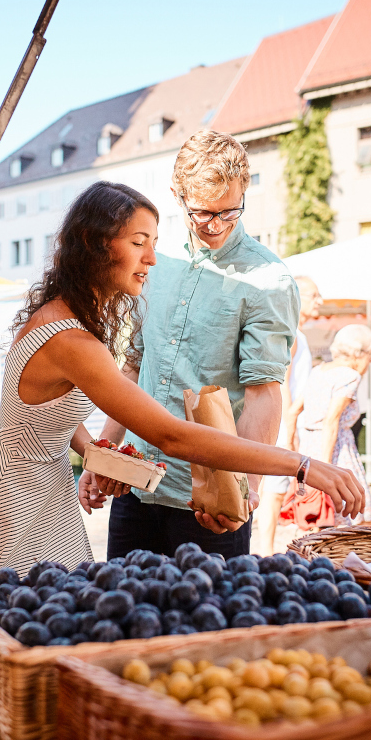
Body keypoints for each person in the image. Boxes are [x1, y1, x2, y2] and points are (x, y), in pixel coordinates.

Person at [0, 181, 363, 614]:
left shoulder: (69, 318)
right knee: (20, 633)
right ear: (95, 244)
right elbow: (171, 436)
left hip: (41, 491)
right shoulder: (71, 339)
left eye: (153, 243)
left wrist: (96, 453)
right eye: (139, 243)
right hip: (19, 502)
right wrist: (302, 465)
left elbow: (48, 417)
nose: (152, 259)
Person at [79, 130, 303, 560]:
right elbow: (133, 367)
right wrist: (102, 455)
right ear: (177, 195)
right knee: (124, 619)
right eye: (203, 213)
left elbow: (263, 393)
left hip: (210, 499)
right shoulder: (155, 262)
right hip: (135, 486)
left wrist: (247, 492)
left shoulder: (268, 281)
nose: (216, 225)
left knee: (204, 624)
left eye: (229, 211)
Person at [255, 276, 322, 554]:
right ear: (298, 297)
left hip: (286, 419)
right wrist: (290, 427)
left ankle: (266, 548)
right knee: (273, 490)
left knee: (276, 490)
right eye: (314, 295)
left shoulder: (297, 333)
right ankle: (265, 550)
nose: (320, 302)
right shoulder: (291, 333)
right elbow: (282, 382)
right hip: (282, 420)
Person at [286, 325, 371, 526]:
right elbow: (331, 420)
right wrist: (325, 468)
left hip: (309, 447)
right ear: (359, 354)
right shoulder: (350, 376)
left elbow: (293, 411)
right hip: (335, 448)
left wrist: (292, 447)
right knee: (356, 515)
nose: (370, 362)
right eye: (370, 356)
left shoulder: (318, 370)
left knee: (316, 517)